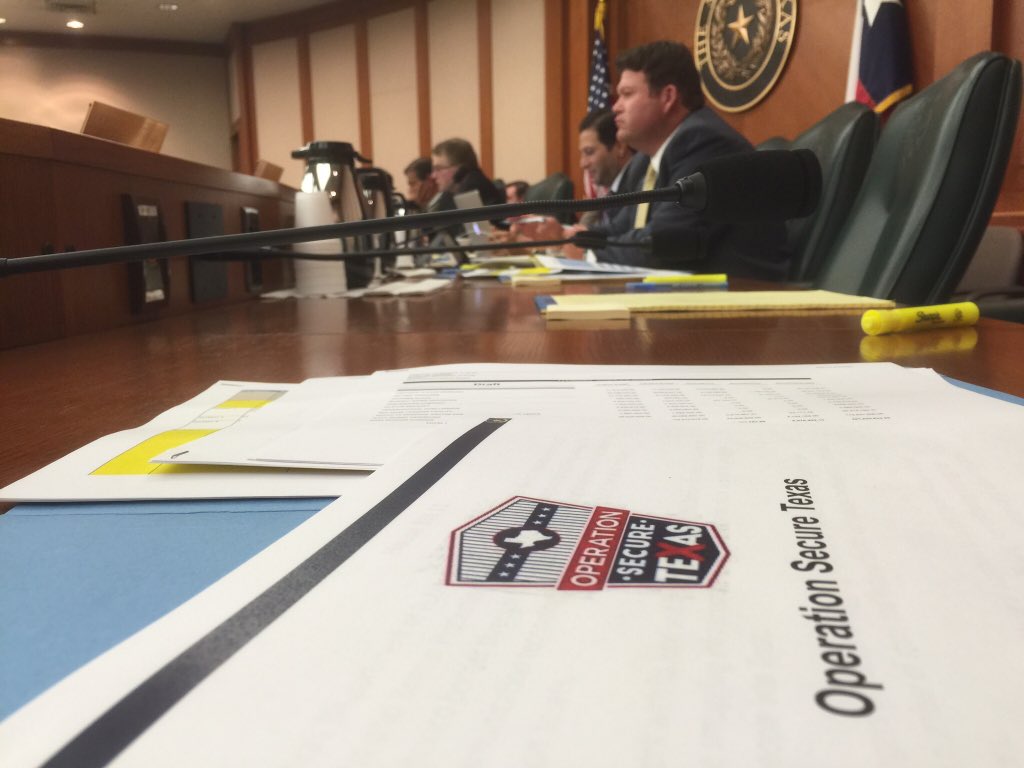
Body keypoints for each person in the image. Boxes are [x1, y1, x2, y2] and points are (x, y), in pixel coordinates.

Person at [576, 109, 637, 229]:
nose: (582, 164)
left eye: (589, 152)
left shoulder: (638, 190)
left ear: (620, 147)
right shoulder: (612, 193)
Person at [430, 138, 504, 211]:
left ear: (461, 170)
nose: (433, 175)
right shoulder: (448, 194)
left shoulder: (472, 188)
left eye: (438, 168)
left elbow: (473, 220)